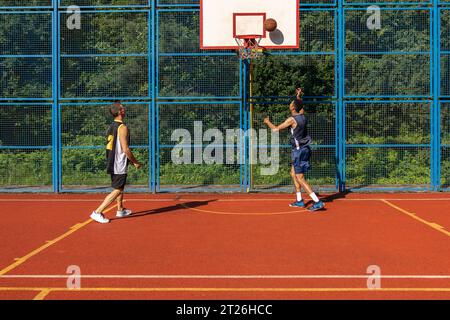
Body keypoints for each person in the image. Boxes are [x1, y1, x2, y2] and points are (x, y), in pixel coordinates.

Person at [263, 88, 324, 211]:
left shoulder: (292, 120)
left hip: (299, 151)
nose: (290, 104)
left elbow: (275, 130)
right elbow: (300, 105)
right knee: (293, 174)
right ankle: (300, 200)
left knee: (300, 178)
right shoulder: (302, 116)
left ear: (293, 108)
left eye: (291, 103)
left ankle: (318, 202)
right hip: (303, 149)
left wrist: (267, 122)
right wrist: (298, 95)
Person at [89, 101, 142, 223]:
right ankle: (97, 212)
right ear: (119, 112)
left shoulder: (111, 126)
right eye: (123, 108)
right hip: (118, 162)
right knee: (118, 189)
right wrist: (135, 162)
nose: (125, 109)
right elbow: (125, 149)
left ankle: (120, 210)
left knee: (120, 186)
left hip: (112, 160)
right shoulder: (122, 127)